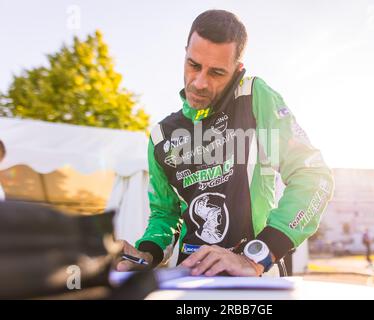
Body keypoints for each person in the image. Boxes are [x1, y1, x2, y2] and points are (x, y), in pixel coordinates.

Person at [117, 10, 334, 277]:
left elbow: (314, 177)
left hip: (254, 278)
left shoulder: (253, 96)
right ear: (185, 53)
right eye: (193, 65)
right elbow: (164, 214)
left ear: (237, 71)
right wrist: (145, 254)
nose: (199, 83)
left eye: (217, 72)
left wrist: (258, 255)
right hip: (188, 281)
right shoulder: (161, 134)